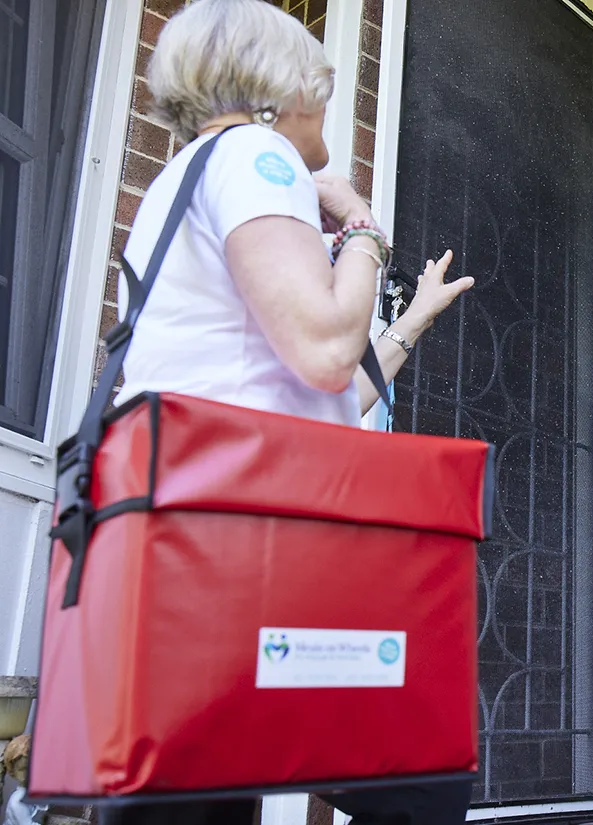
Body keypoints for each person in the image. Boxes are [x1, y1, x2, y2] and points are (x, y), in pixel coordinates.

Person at [101, 0, 475, 823]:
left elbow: (319, 393)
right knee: (419, 774)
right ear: (276, 94)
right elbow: (326, 350)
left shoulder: (184, 175)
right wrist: (363, 226)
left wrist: (409, 323)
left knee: (199, 786)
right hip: (238, 541)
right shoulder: (260, 156)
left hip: (177, 541)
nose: (327, 104)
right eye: (320, 86)